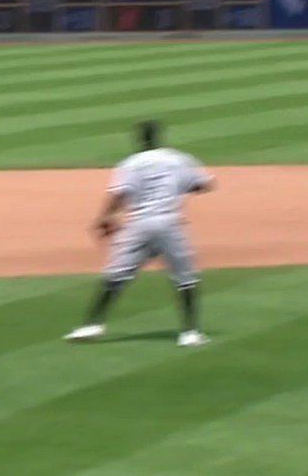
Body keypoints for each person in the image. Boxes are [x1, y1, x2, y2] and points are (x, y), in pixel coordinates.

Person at [64, 121, 215, 348]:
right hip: (169, 223)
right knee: (185, 278)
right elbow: (205, 185)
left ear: (140, 140)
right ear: (159, 137)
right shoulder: (179, 158)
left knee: (116, 275)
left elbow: (118, 194)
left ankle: (92, 325)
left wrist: (104, 218)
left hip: (139, 226)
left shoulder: (132, 163)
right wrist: (178, 188)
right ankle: (190, 332)